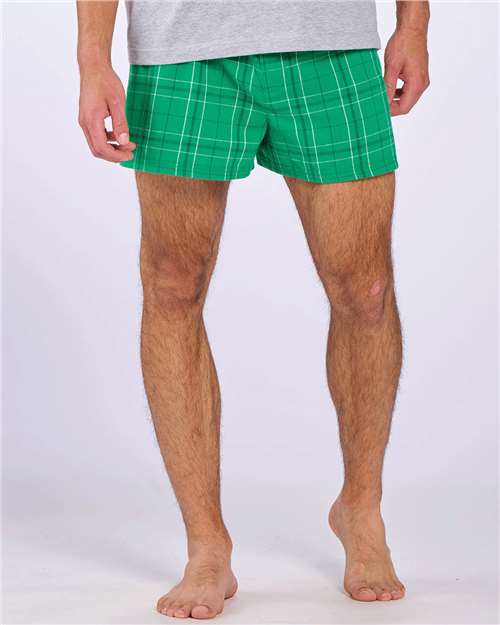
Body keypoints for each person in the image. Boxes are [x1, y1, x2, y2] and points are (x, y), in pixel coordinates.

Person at [77, 0, 430, 618]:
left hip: (330, 41)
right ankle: (206, 545)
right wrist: (92, 58)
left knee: (367, 290)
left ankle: (361, 509)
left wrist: (414, 23)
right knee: (173, 286)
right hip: (181, 48)